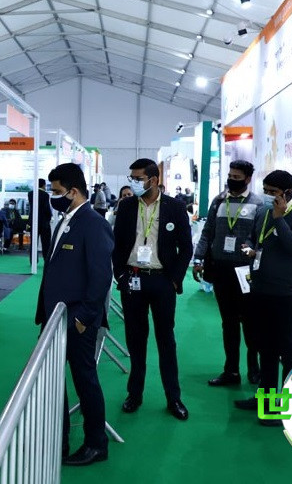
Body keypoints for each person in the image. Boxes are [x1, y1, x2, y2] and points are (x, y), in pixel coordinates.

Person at [35, 163, 113, 467]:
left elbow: (101, 275)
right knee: (53, 380)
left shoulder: (93, 223)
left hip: (77, 319)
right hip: (54, 317)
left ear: (74, 191)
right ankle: (60, 438)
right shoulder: (66, 219)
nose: (52, 197)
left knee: (84, 380)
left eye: (56, 191)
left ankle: (96, 443)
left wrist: (84, 317)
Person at [234, 170, 292, 425]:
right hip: (260, 290)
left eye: (273, 192)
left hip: (286, 294)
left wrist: (280, 219)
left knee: (288, 351)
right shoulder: (262, 212)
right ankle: (266, 400)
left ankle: (288, 405)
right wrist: (250, 249)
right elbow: (254, 239)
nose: (268, 196)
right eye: (266, 191)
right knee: (266, 348)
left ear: (288, 193)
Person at [112, 159, 192, 421]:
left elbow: (186, 248)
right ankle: (134, 394)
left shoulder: (175, 207)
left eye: (138, 178)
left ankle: (174, 398)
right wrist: (120, 275)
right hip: (132, 279)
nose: (133, 182)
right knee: (136, 340)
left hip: (162, 281)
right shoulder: (126, 206)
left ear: (154, 180)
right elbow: (116, 244)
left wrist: (175, 280)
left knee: (166, 340)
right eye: (132, 178)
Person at [193, 160, 262, 387]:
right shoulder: (219, 201)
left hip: (246, 272)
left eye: (237, 177)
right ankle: (231, 371)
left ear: (248, 179)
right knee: (228, 323)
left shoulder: (258, 205)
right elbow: (207, 232)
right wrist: (198, 258)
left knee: (250, 322)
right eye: (230, 176)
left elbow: (260, 238)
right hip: (221, 270)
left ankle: (254, 367)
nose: (232, 180)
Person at [27, 178, 52, 262]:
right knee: (46, 243)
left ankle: (33, 260)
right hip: (44, 222)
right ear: (44, 185)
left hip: (33, 221)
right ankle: (46, 260)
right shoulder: (45, 195)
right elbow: (46, 208)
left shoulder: (30, 194)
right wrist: (49, 216)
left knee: (33, 242)